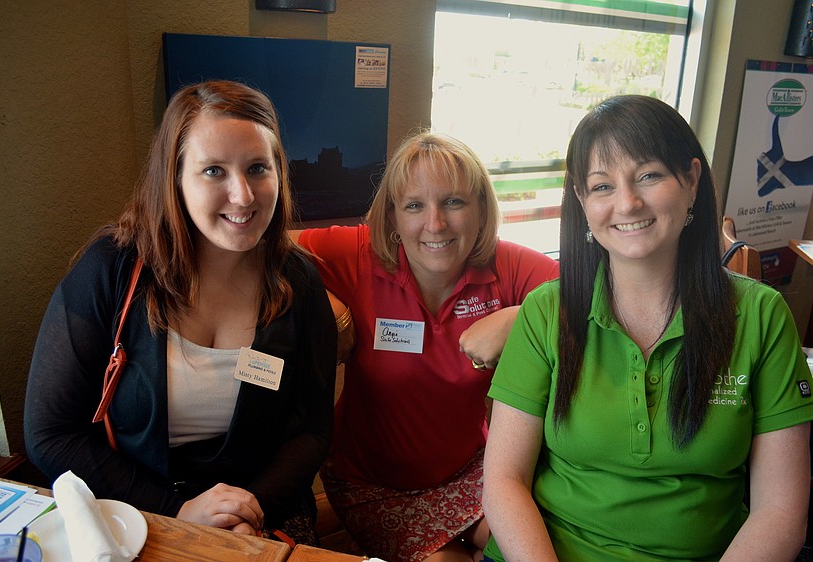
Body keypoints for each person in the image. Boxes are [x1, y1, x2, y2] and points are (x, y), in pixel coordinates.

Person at [482, 95, 813, 561]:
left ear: (692, 181)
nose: (627, 203)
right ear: (581, 200)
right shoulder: (545, 311)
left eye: (649, 175)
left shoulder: (762, 316)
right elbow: (503, 481)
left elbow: (780, 512)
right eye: (602, 186)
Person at [24, 80, 337, 545]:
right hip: (135, 508)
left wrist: (247, 510)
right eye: (213, 171)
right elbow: (51, 433)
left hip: (262, 508)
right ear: (174, 178)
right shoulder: (111, 270)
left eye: (257, 168)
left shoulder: (300, 281)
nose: (243, 195)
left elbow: (313, 429)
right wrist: (178, 512)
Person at [293, 131, 560, 561]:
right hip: (372, 485)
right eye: (414, 206)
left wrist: (520, 316)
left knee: (530, 545)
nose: (435, 224)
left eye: (453, 202)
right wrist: (327, 306)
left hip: (472, 471)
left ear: (481, 209)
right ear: (393, 216)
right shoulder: (360, 255)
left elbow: (597, 290)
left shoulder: (505, 264)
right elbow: (263, 249)